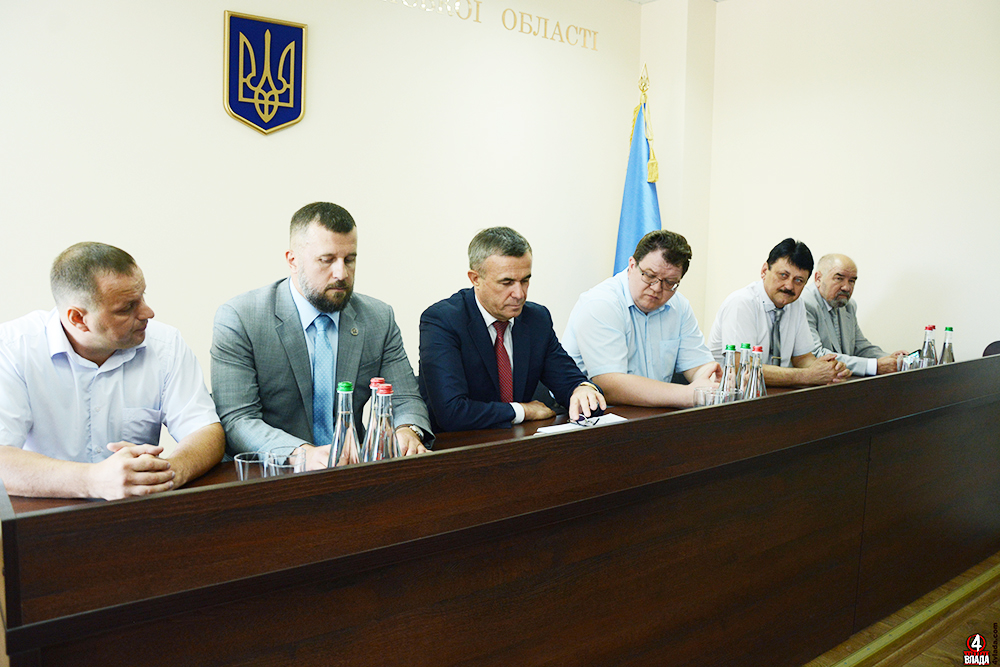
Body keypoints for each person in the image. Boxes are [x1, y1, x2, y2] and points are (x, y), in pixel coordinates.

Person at [211, 202, 432, 470]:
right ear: (293, 261)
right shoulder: (241, 318)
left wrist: (407, 431)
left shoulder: (378, 318)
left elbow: (405, 398)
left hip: (353, 470)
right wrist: (302, 453)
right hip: (273, 473)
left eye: (349, 260)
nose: (341, 274)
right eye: (327, 260)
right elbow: (238, 419)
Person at [0, 243, 224, 500]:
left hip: (138, 511)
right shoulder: (12, 349)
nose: (148, 313)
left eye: (142, 296)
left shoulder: (166, 345)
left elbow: (205, 431)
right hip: (45, 514)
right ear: (77, 319)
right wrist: (93, 480)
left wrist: (168, 473)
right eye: (126, 308)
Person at [418, 227, 606, 432]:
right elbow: (452, 412)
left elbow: (568, 380)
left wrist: (582, 389)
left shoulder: (536, 319)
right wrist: (523, 411)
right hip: (461, 445)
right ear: (475, 279)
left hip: (520, 441)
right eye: (507, 282)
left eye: (525, 280)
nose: (519, 294)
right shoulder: (442, 321)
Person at [561, 230, 720, 408]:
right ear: (632, 265)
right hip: (591, 413)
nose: (657, 288)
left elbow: (698, 366)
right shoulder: (601, 303)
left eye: (669, 282)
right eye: (650, 276)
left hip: (651, 411)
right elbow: (609, 385)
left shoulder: (679, 306)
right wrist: (687, 394)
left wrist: (713, 381)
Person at [707, 238, 851, 387]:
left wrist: (828, 371)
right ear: (764, 270)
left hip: (774, 392)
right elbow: (742, 367)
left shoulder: (796, 304)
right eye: (783, 275)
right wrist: (806, 376)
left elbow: (802, 358)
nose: (789, 286)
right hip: (732, 393)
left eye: (798, 280)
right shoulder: (741, 303)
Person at [803, 254, 907, 376]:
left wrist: (890, 359)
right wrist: (875, 366)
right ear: (818, 278)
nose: (846, 287)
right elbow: (815, 356)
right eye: (839, 278)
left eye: (852, 281)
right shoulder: (804, 303)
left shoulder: (848, 305)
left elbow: (860, 347)